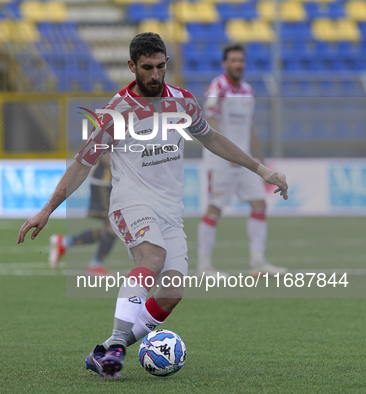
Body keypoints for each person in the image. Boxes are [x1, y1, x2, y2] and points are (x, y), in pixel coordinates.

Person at [18, 32, 288, 377]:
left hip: (170, 211)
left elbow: (214, 139)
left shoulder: (184, 102)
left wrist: (261, 169)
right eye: (147, 67)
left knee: (172, 292)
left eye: (161, 66)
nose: (155, 75)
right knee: (153, 258)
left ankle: (103, 352)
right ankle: (117, 344)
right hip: (130, 203)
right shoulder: (117, 112)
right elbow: (81, 165)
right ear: (132, 66)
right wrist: (47, 210)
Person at [196, 44, 288, 278]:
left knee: (260, 204)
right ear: (224, 63)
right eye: (233, 60)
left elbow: (250, 127)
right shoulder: (217, 87)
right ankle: (204, 266)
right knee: (214, 208)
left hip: (246, 162)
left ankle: (257, 263)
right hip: (220, 162)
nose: (238, 64)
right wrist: (227, 151)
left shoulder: (248, 90)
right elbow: (210, 120)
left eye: (241, 60)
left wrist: (262, 162)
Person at [49, 153, 116, 275]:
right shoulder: (114, 134)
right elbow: (104, 151)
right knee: (114, 225)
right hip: (104, 183)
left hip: (110, 183)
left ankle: (64, 242)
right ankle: (95, 264)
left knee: (111, 227)